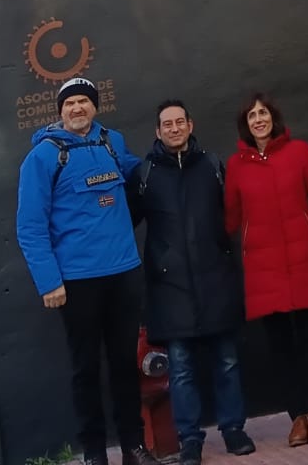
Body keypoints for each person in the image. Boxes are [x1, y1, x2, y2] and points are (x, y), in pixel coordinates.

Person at [14, 77, 161, 465]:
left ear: (95, 107)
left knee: (125, 366)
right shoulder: (43, 157)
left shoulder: (113, 143)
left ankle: (134, 447)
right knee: (86, 370)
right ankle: (95, 454)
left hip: (124, 274)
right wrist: (50, 281)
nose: (77, 108)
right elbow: (30, 226)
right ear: (60, 110)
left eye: (84, 102)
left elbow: (141, 176)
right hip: (76, 283)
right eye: (70, 103)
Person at [130, 101, 255, 462]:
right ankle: (190, 440)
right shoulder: (145, 174)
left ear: (190, 124)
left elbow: (235, 215)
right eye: (166, 124)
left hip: (216, 280)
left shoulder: (213, 166)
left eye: (179, 122)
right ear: (157, 131)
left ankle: (234, 430)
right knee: (181, 369)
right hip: (170, 290)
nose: (173, 128)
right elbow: (125, 223)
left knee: (227, 362)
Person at [224, 93, 308, 448]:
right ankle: (296, 416)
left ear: (274, 117)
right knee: (281, 346)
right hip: (263, 267)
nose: (259, 119)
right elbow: (231, 215)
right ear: (246, 123)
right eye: (252, 114)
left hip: (302, 259)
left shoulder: (299, 151)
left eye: (264, 112)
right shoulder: (237, 165)